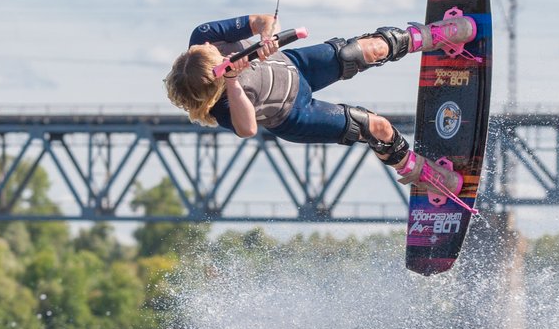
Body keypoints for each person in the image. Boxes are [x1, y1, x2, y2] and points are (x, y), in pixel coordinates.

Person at [164, 12, 476, 194]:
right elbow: (247, 129)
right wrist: (233, 81)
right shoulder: (219, 106)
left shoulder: (203, 35)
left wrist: (266, 36)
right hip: (294, 115)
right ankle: (419, 173)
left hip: (297, 66)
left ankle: (432, 36)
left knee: (367, 50)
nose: (222, 55)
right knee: (376, 127)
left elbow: (263, 20)